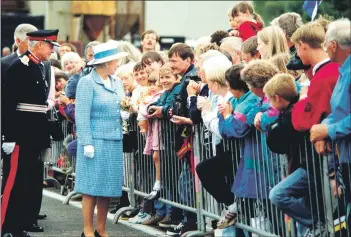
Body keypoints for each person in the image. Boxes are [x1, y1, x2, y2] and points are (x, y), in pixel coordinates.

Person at [1, 29, 60, 237]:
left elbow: (38, 107)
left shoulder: (38, 67)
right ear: (39, 44)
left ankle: (16, 227)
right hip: (19, 136)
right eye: (50, 46)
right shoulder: (19, 67)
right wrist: (8, 137)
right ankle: (4, 227)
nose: (52, 51)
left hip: (32, 136)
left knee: (25, 183)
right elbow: (8, 105)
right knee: (12, 184)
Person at [74, 42, 128, 237]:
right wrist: (86, 141)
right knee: (90, 187)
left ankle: (101, 229)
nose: (117, 63)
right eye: (115, 60)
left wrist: (125, 112)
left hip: (113, 139)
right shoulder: (87, 82)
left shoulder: (117, 82)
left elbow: (122, 104)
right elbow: (81, 114)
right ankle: (87, 229)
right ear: (106, 63)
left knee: (107, 187)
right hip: (94, 141)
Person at [310, 18, 351, 235]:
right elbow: (339, 111)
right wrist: (322, 128)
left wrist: (328, 131)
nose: (325, 48)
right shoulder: (344, 70)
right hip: (345, 157)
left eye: (326, 43)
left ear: (334, 45)